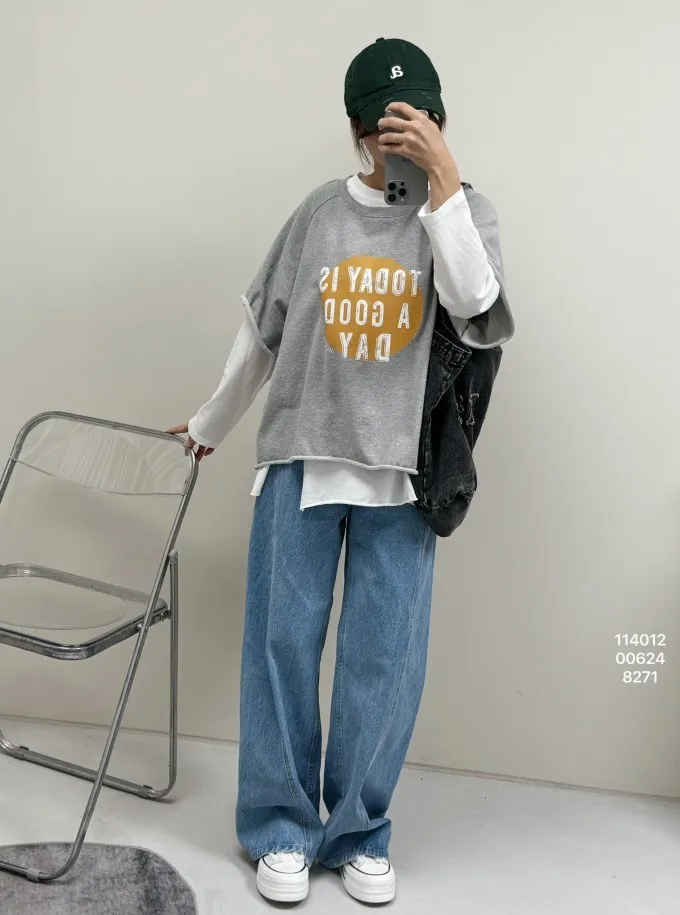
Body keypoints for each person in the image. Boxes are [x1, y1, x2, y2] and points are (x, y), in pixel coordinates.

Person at [169, 37, 513, 906]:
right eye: (388, 124)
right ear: (359, 131)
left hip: (401, 473)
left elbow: (475, 305)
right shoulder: (321, 213)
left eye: (421, 119)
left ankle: (359, 830)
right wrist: (212, 422)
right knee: (280, 648)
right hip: (301, 457)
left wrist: (443, 184)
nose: (405, 137)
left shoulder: (463, 212)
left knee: (384, 661)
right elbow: (264, 327)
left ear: (440, 121)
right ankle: (280, 826)